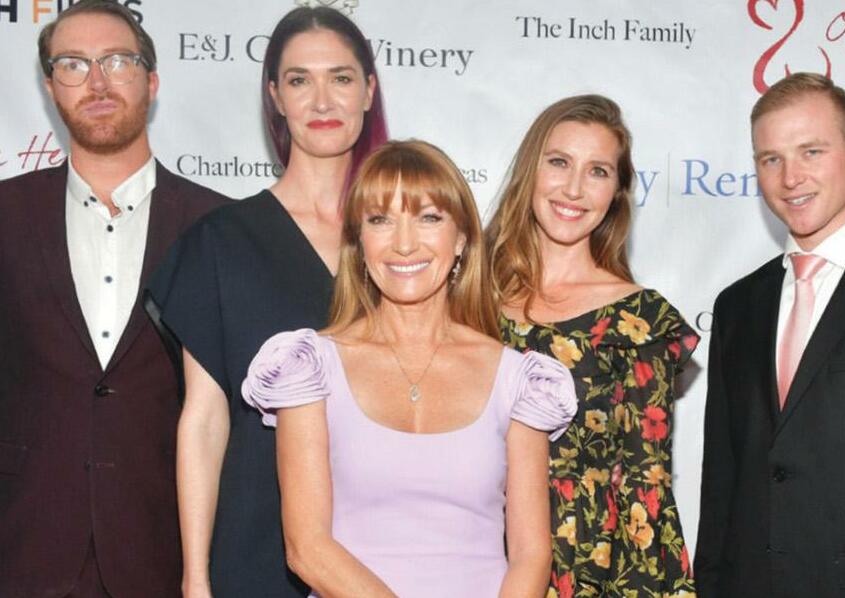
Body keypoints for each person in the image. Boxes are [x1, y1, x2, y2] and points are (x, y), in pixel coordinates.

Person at [241, 139, 576, 597]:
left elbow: (530, 554)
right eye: (380, 220)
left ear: (461, 239)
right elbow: (307, 548)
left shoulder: (520, 380)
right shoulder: (308, 367)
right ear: (359, 242)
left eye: (428, 218)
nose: (403, 243)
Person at [146, 6, 388, 597]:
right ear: (276, 97)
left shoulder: (407, 239)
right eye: (300, 80)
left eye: (340, 77)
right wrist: (196, 578)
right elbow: (204, 421)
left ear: (367, 91)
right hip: (257, 549)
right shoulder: (220, 243)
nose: (322, 100)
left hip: (389, 543)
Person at [0, 1, 228, 596]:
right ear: (50, 87)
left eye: (118, 61)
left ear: (152, 82)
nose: (97, 82)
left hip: (166, 554)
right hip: (22, 550)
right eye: (73, 64)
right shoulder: (5, 215)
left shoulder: (217, 226)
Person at [485, 95, 699, 597]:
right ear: (529, 170)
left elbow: (646, 492)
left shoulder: (638, 323)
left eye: (598, 171)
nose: (574, 188)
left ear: (617, 193)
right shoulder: (470, 301)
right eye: (559, 162)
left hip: (586, 573)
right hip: (471, 559)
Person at [695, 73, 845, 597]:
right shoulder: (737, 306)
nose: (791, 177)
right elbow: (722, 479)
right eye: (771, 159)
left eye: (811, 152)